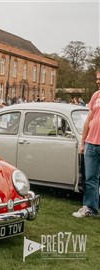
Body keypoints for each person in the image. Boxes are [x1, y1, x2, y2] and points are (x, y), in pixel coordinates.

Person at [72, 69, 100, 218]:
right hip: (91, 143)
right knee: (90, 179)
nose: (97, 81)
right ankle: (90, 208)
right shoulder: (96, 95)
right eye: (97, 78)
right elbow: (88, 120)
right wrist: (83, 143)